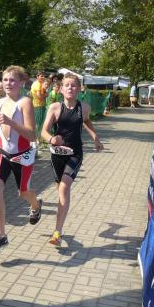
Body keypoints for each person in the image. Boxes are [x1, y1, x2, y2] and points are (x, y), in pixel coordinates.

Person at [0, 65, 43, 251]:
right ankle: (1, 234)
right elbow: (1, 125)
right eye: (5, 79)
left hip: (22, 156)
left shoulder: (25, 102)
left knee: (23, 193)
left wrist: (11, 122)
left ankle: (36, 205)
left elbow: (31, 134)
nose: (8, 83)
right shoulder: (0, 102)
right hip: (2, 153)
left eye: (13, 80)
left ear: (21, 82)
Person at [40, 73, 104, 245]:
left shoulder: (84, 107)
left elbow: (86, 121)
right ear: (61, 89)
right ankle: (58, 223)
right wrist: (51, 139)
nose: (70, 88)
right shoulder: (55, 107)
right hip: (57, 154)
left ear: (79, 89)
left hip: (75, 153)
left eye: (74, 85)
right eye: (67, 85)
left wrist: (95, 137)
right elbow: (43, 131)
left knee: (64, 187)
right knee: (60, 190)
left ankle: (57, 232)